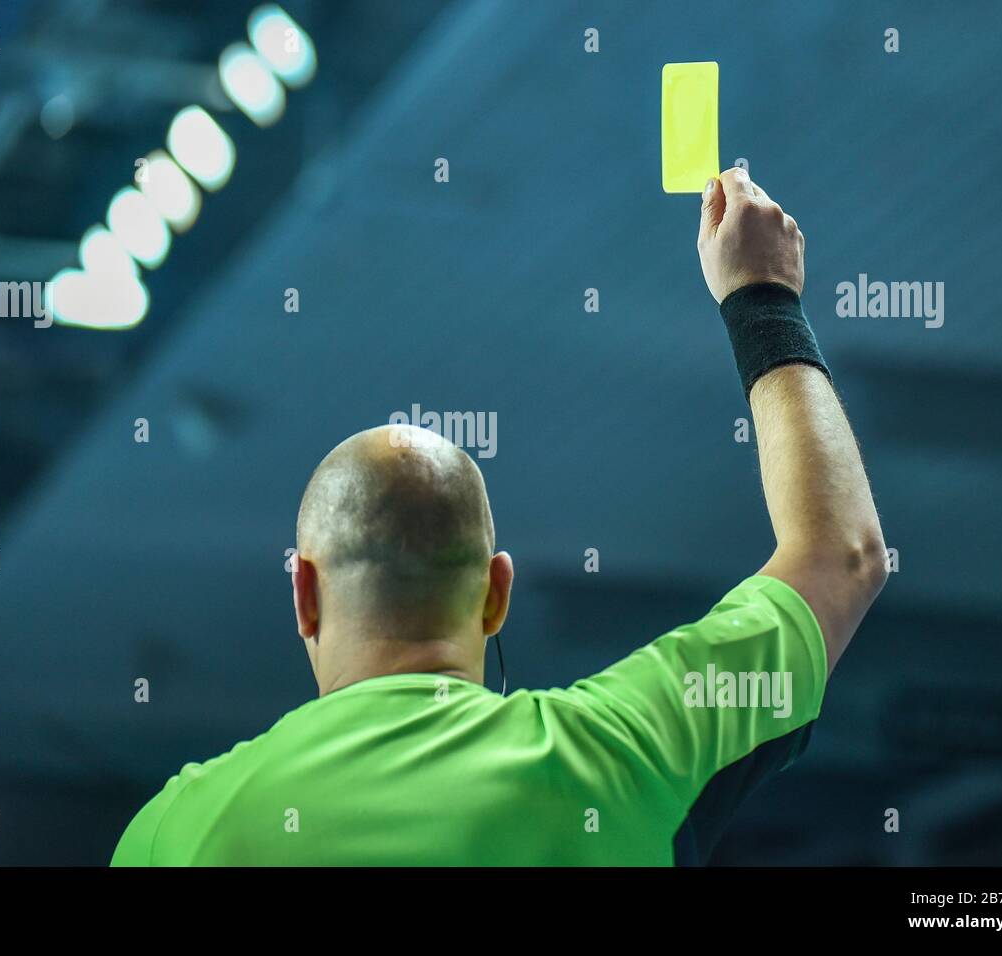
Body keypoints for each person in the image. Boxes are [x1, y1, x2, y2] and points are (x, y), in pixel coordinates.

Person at [111, 167, 887, 865]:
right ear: (496, 592)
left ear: (304, 594)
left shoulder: (174, 832)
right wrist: (762, 298)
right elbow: (842, 557)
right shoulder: (622, 749)